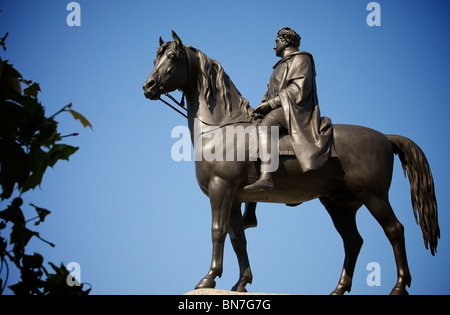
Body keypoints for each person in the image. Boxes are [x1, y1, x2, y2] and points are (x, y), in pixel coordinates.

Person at [243, 27, 334, 228]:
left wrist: (269, 104)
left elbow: (297, 90)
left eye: (277, 40)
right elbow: (268, 94)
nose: (274, 44)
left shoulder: (302, 59)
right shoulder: (278, 66)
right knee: (250, 131)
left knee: (266, 126)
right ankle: (250, 212)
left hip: (296, 110)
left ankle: (267, 177)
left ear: (286, 41)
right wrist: (260, 106)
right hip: (280, 108)